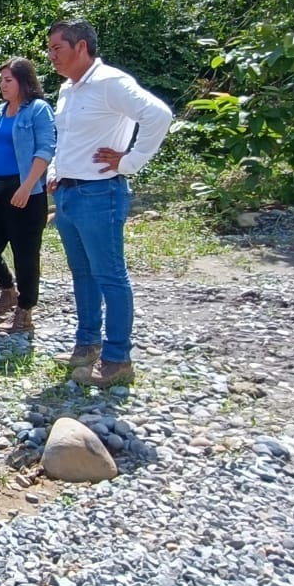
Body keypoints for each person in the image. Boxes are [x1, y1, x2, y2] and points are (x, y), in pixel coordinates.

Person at [46, 20, 172, 387]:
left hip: (100, 193)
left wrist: (130, 161)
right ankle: (87, 345)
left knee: (110, 275)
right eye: (50, 50)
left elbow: (159, 115)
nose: (52, 56)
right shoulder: (67, 90)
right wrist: (55, 169)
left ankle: (117, 359)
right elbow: (66, 138)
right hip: (69, 193)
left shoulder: (110, 82)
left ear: (81, 47)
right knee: (82, 273)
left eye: (57, 48)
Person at [0, 59, 55, 334]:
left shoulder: (38, 110)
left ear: (23, 81)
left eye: (8, 80)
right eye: (1, 80)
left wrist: (28, 186)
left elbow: (45, 150)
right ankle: (8, 290)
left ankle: (25, 310)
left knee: (25, 254)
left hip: (26, 191)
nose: (2, 85)